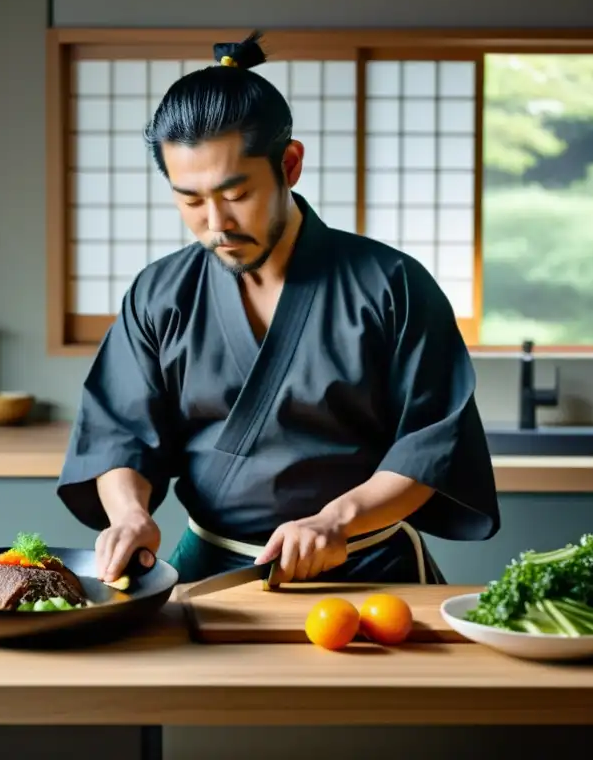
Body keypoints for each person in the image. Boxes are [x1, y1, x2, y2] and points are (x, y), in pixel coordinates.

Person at [56, 31, 500, 587]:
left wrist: (335, 521)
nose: (215, 224)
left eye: (236, 194)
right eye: (190, 200)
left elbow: (431, 444)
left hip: (367, 570)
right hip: (213, 570)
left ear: (289, 164)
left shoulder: (392, 286)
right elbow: (118, 433)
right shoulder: (159, 293)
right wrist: (129, 515)